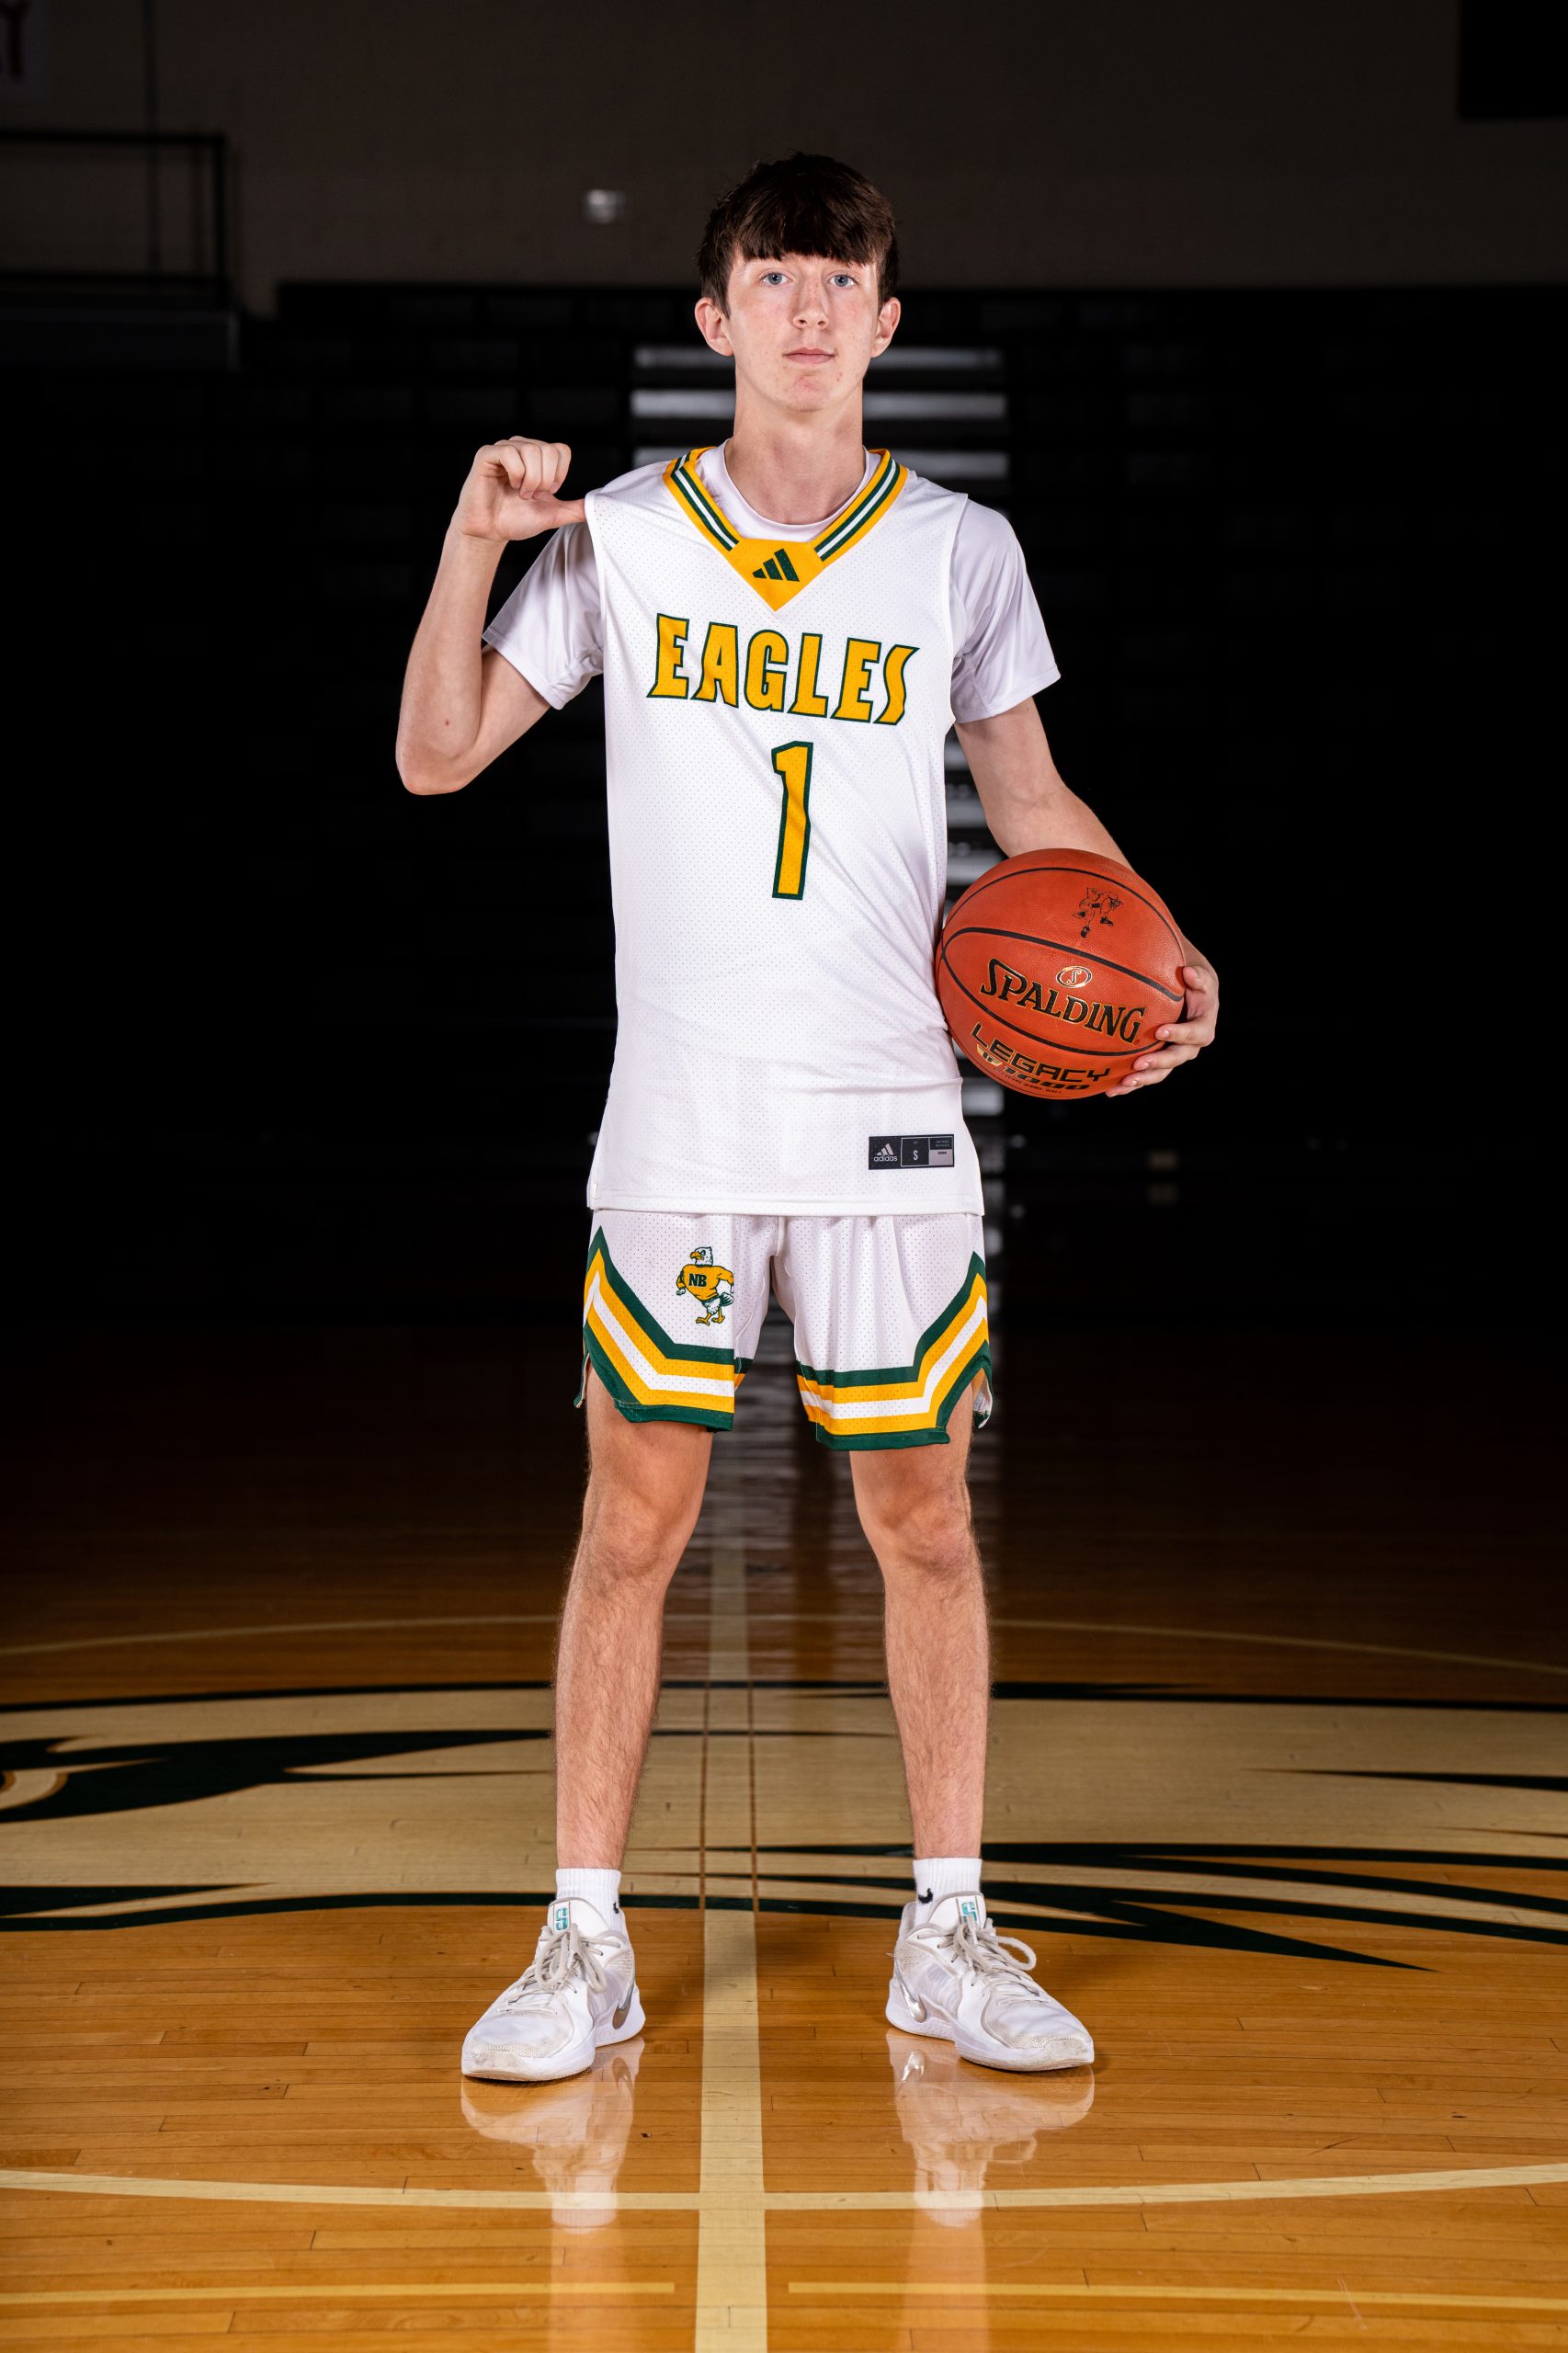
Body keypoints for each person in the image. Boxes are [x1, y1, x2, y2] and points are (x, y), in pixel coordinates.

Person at [396, 152, 1219, 2086]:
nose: (808, 306)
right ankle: (583, 1938)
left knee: (922, 1521)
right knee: (632, 1521)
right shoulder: (617, 536)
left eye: (841, 277)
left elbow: (1030, 801)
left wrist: (1162, 944)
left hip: (892, 1119)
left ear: (885, 322)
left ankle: (947, 1926)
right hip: (682, 1125)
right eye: (773, 275)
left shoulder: (959, 549)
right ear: (716, 318)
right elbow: (434, 755)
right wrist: (470, 541)